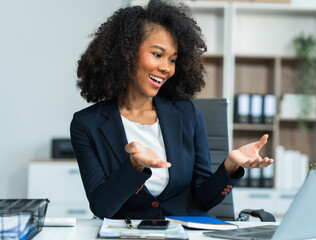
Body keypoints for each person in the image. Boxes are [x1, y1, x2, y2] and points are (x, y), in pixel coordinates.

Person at [70, 0, 273, 220]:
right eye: (157, 54)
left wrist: (231, 165)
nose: (167, 68)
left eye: (173, 59)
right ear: (127, 53)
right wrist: (134, 166)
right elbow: (102, 206)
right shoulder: (87, 124)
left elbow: (204, 200)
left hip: (187, 231)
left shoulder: (187, 114)